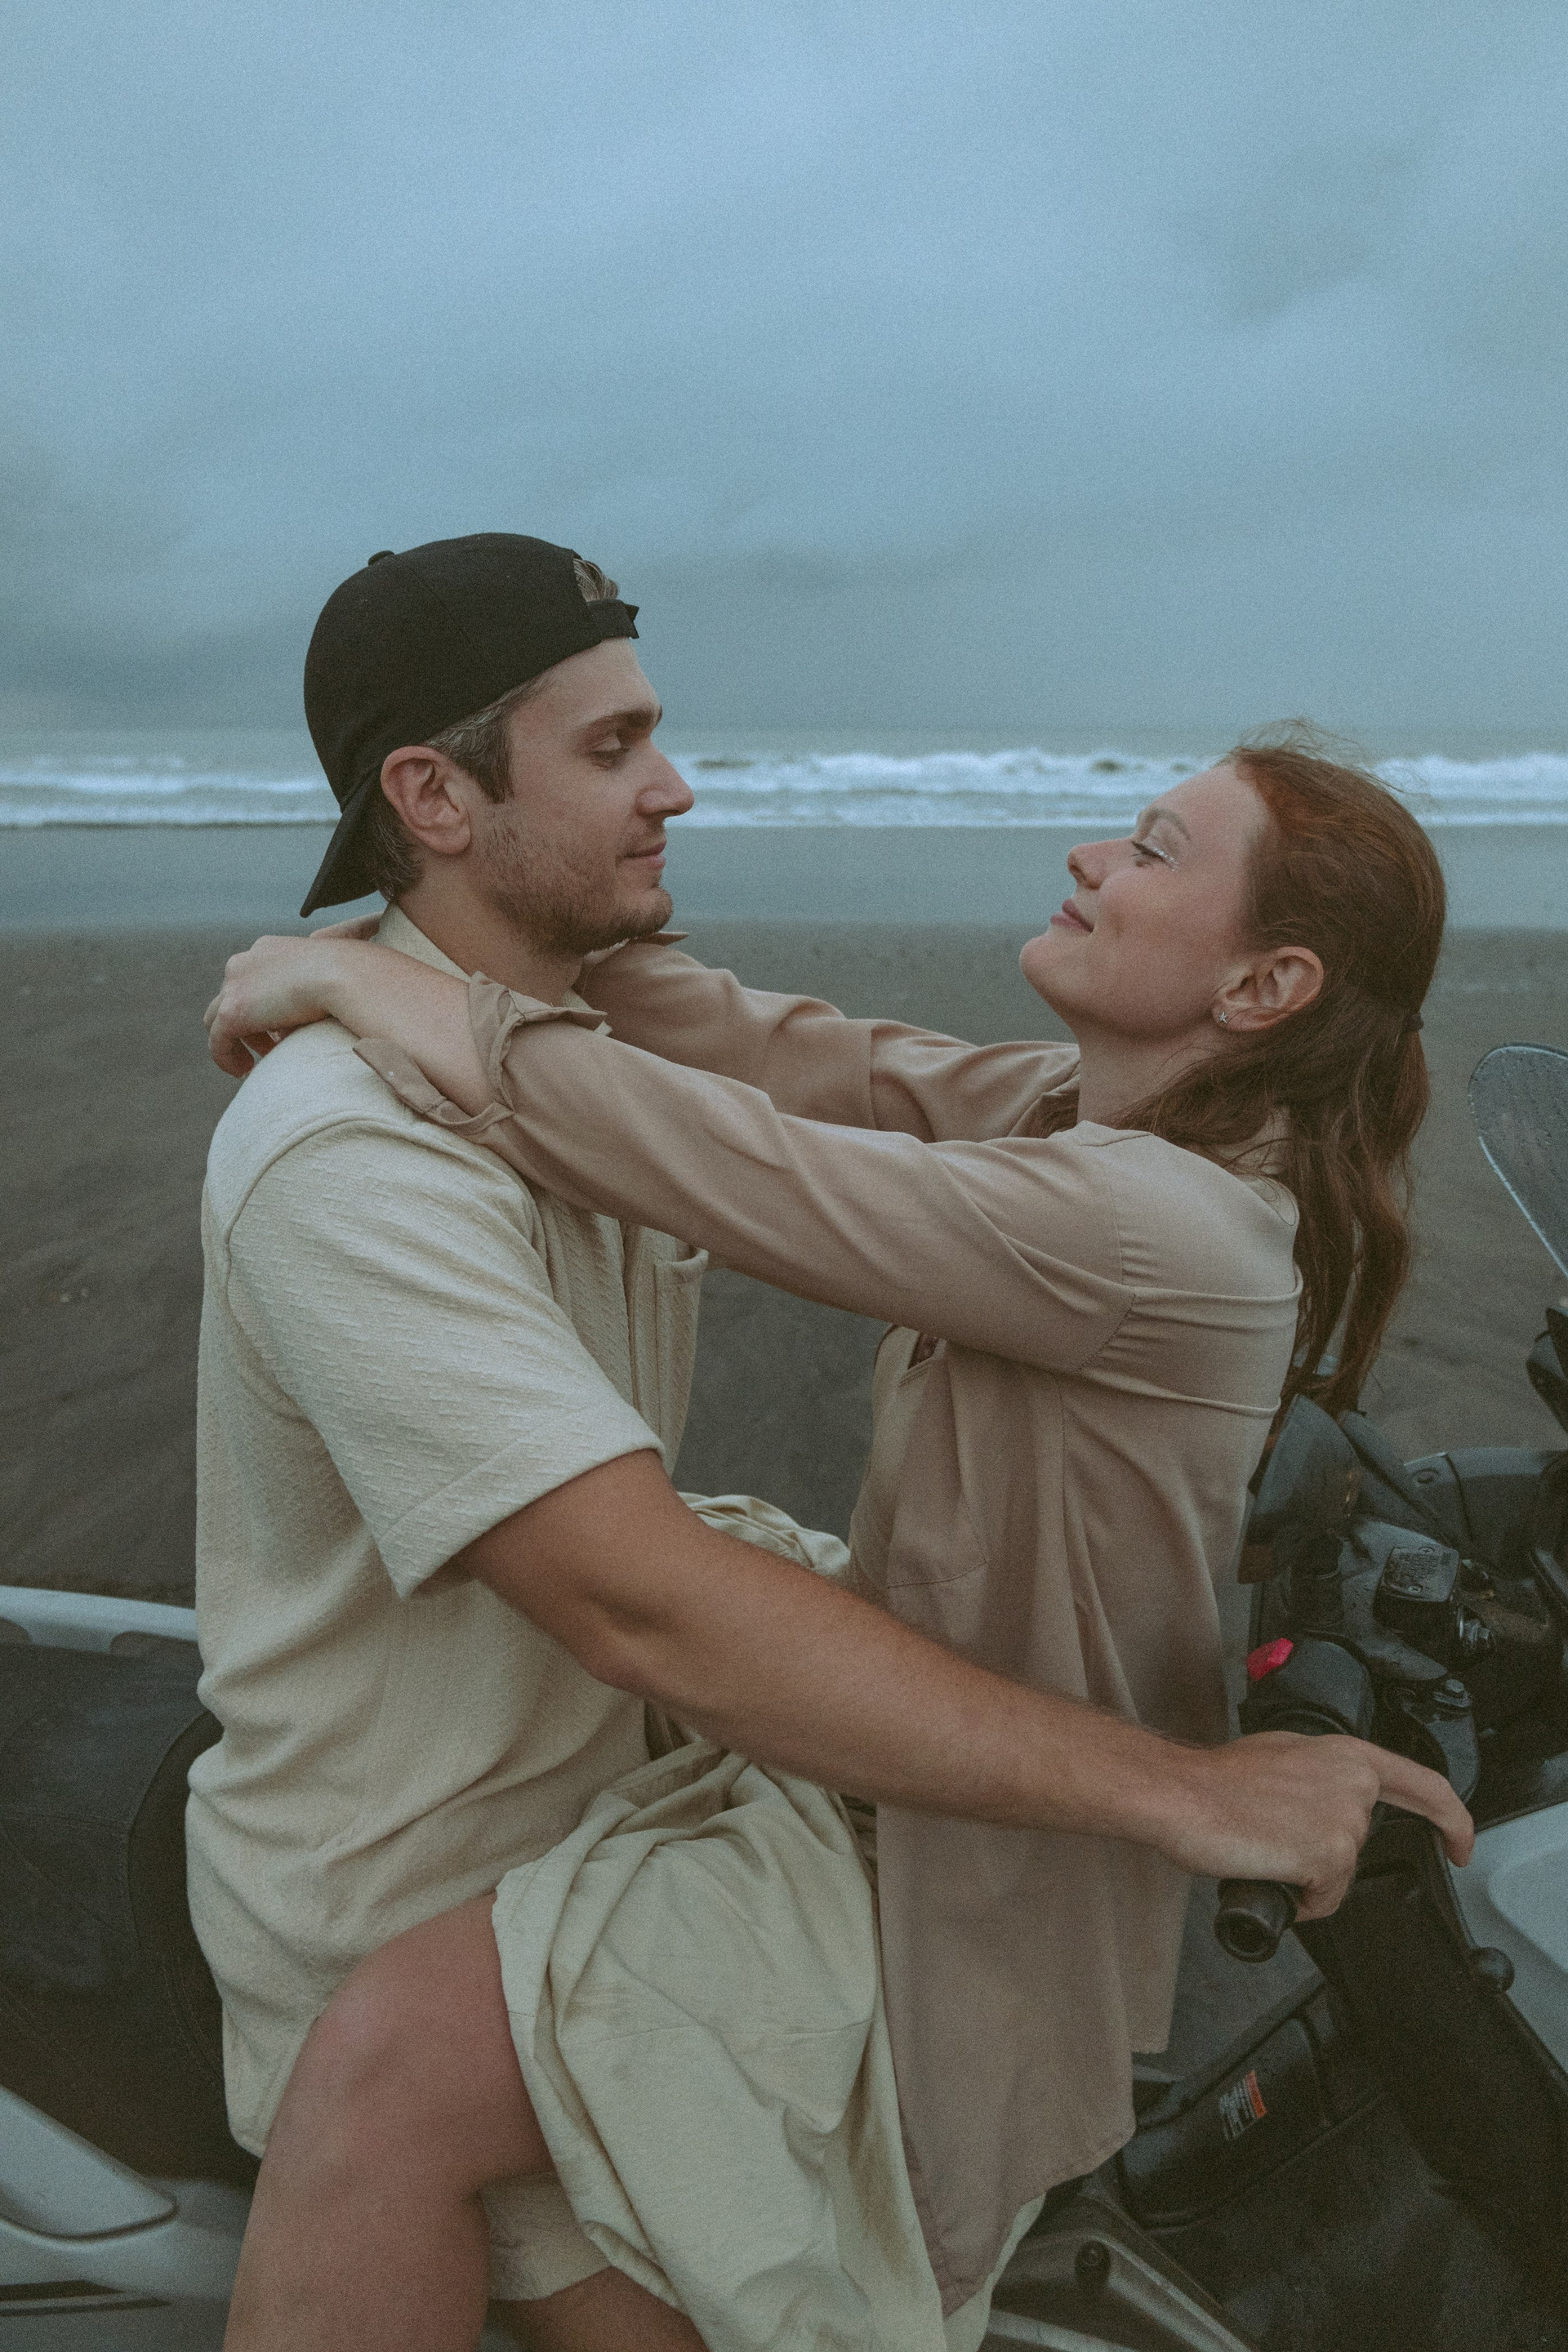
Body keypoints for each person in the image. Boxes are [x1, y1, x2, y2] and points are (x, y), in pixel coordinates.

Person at [204, 606, 1470, 2352]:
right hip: (897, 1790)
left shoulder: (1150, 1222)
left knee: (411, 2080)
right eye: (613, 750)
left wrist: (375, 980)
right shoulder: (1092, 1117)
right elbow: (816, 1062)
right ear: (435, 796)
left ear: (1262, 991)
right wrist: (485, 945)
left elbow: (753, 1163)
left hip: (970, 1840)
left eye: (1153, 849)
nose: (1090, 856)